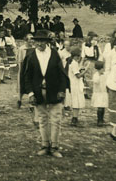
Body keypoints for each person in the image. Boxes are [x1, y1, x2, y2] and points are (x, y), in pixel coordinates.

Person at [24, 29, 68, 157]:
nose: (39, 44)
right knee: (42, 119)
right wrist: (31, 93)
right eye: (37, 41)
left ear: (47, 42)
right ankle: (45, 145)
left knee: (56, 119)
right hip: (38, 92)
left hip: (54, 91)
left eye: (42, 41)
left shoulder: (54, 54)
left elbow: (62, 74)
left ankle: (54, 147)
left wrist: (62, 90)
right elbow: (27, 77)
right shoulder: (31, 55)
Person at [66, 47, 86, 126]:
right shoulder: (74, 63)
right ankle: (74, 119)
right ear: (75, 56)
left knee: (76, 101)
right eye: (78, 56)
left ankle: (75, 118)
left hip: (75, 84)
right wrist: (85, 71)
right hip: (75, 85)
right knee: (76, 101)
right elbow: (78, 75)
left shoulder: (74, 63)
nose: (79, 57)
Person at [90, 60, 108, 126]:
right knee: (100, 106)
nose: (104, 69)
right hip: (98, 93)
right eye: (103, 68)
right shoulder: (96, 75)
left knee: (103, 106)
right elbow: (96, 81)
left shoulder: (105, 74)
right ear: (100, 68)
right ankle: (99, 120)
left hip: (103, 92)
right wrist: (100, 75)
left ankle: (102, 119)